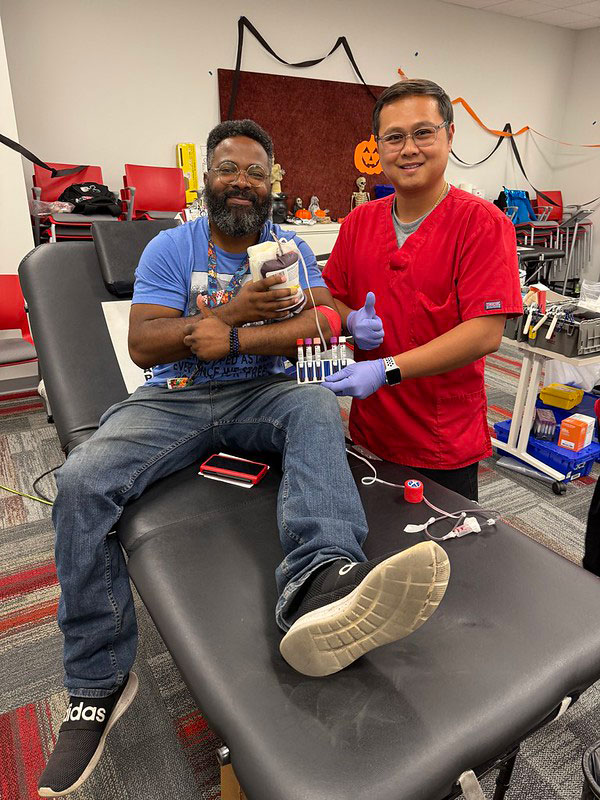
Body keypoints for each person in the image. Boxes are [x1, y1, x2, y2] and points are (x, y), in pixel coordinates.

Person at [37, 119, 450, 797]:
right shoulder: (172, 248)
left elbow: (322, 321)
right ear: (208, 179)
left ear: (270, 187)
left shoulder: (287, 247)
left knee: (317, 407)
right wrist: (234, 312)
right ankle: (97, 681)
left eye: (256, 173)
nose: (243, 182)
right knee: (81, 480)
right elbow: (146, 345)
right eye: (230, 169)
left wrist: (227, 337)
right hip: (173, 398)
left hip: (262, 393)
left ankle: (322, 586)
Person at [322, 79, 522, 501]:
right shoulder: (359, 222)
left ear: (449, 135)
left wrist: (384, 368)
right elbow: (330, 296)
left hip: (440, 441)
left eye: (423, 132)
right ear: (379, 148)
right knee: (372, 545)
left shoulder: (482, 224)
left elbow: (485, 332)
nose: (408, 149)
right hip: (369, 429)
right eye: (394, 137)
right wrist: (349, 320)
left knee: (441, 558)